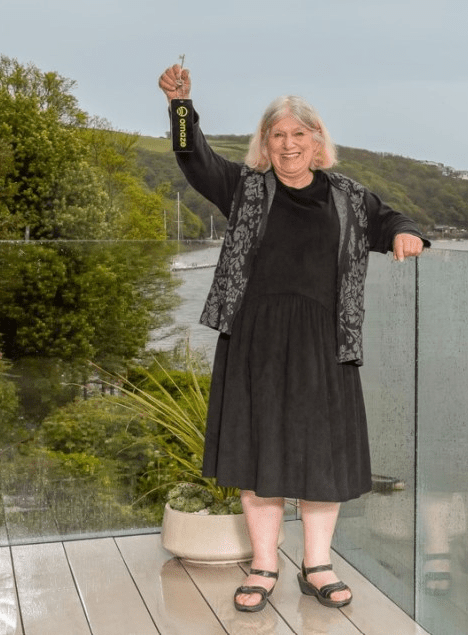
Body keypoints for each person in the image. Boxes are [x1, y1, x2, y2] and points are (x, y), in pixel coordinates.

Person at [158, 64, 428, 612]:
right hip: (254, 339)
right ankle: (263, 565)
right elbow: (195, 159)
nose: (288, 145)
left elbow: (394, 218)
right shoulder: (244, 188)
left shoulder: (350, 197)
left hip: (326, 343)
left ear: (317, 140)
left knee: (320, 457)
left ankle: (317, 566)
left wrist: (406, 233)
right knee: (260, 454)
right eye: (277, 135)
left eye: (298, 135)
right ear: (265, 143)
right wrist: (181, 107)